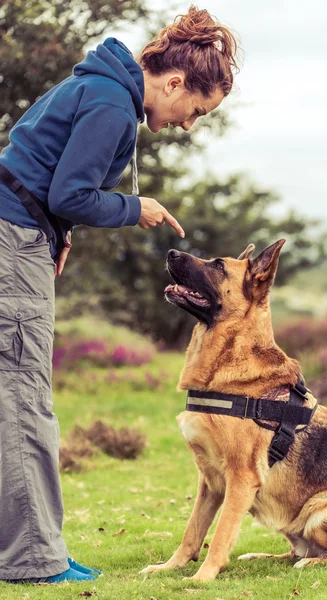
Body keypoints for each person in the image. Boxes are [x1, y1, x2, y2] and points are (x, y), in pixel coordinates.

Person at [0, 5, 238, 584]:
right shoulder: (110, 104)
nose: (188, 123)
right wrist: (137, 208)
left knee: (17, 399)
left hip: (21, 236)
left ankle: (36, 550)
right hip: (12, 245)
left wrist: (57, 233)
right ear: (175, 82)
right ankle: (33, 563)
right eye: (195, 110)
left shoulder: (100, 89)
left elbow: (34, 167)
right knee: (24, 405)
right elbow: (69, 191)